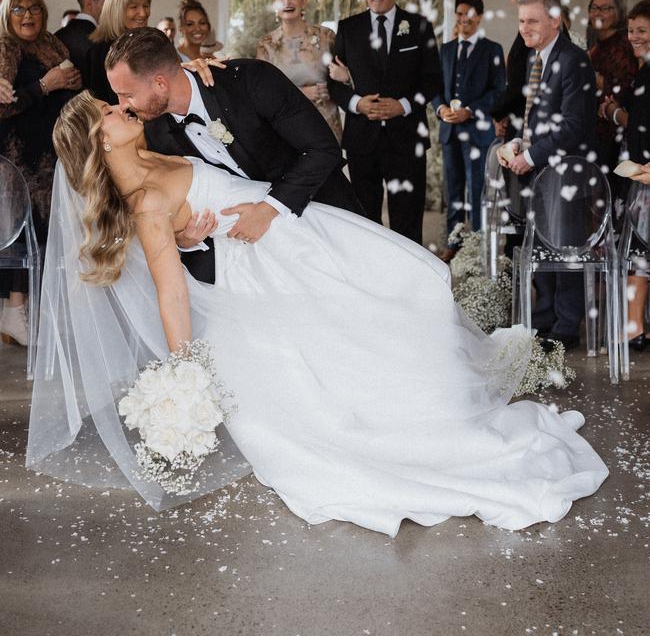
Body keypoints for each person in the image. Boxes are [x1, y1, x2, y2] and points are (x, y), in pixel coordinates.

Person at [25, 88, 609, 534]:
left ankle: (442, 395)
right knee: (360, 332)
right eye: (108, 110)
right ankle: (425, 421)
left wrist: (191, 239)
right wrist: (186, 369)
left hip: (295, 230)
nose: (121, 105)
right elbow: (170, 291)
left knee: (419, 280)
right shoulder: (145, 202)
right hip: (270, 265)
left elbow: (197, 219)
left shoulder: (153, 152)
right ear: (101, 142)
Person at [103, 27, 363, 286]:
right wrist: (185, 240)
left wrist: (268, 208)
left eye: (127, 94)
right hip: (264, 267)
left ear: (160, 83)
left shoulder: (250, 80)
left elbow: (322, 149)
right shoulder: (155, 132)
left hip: (326, 219)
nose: (123, 104)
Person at [497, 0, 598, 349]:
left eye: (533, 20)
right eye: (521, 20)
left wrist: (533, 156)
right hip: (540, 169)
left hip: (567, 172)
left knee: (564, 248)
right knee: (540, 244)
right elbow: (535, 119)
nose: (524, 28)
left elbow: (574, 124)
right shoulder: (533, 57)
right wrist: (516, 144)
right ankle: (544, 317)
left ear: (555, 20)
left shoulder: (574, 60)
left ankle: (566, 327)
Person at [329, 0, 442, 245]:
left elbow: (432, 81)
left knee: (408, 218)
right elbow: (331, 82)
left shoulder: (419, 26)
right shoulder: (347, 28)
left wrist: (402, 105)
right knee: (365, 219)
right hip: (361, 139)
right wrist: (357, 103)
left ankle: (410, 283)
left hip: (406, 138)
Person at [0, 0, 81, 346]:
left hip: (52, 154)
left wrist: (72, 85)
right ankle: (15, 312)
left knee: (47, 234)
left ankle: (27, 311)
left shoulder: (52, 43)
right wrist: (46, 85)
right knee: (25, 233)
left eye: (34, 8)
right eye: (18, 9)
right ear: (6, 14)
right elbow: (5, 106)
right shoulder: (4, 48)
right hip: (20, 157)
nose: (28, 15)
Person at [599, 0, 650, 350]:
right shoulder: (644, 70)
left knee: (641, 253)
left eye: (642, 31)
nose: (634, 37)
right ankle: (638, 326)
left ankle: (634, 326)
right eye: (632, 30)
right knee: (641, 252)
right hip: (640, 171)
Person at [433, 0, 506, 234]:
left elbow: (498, 91)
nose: (464, 19)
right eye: (460, 14)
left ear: (480, 17)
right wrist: (441, 108)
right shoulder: (445, 49)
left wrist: (471, 111)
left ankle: (476, 243)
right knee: (452, 190)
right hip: (450, 131)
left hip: (477, 132)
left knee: (476, 190)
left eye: (470, 14)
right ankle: (454, 242)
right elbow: (434, 88)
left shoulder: (492, 50)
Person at [256, 0, 345, 141]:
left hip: (326, 125)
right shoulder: (266, 44)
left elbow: (344, 78)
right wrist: (301, 93)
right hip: (287, 128)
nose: (287, 2)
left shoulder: (326, 36)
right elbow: (264, 93)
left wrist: (336, 85)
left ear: (303, 2)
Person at [586, 0, 637, 175]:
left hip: (615, 135)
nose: (598, 12)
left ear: (620, 12)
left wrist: (591, 76)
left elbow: (625, 88)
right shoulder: (596, 45)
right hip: (594, 131)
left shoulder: (625, 43)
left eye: (606, 8)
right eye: (594, 7)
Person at [491, 0, 543, 139]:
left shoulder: (532, 23)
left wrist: (498, 112)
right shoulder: (543, 16)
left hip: (530, 117)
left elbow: (521, 78)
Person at [85, 0, 152, 103]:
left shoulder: (146, 43)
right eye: (134, 7)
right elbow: (102, 100)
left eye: (146, 6)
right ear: (117, 9)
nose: (143, 13)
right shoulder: (101, 50)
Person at [55, 0, 109, 72]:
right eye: (108, 3)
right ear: (89, 4)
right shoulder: (101, 40)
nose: (111, 9)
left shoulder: (57, 36)